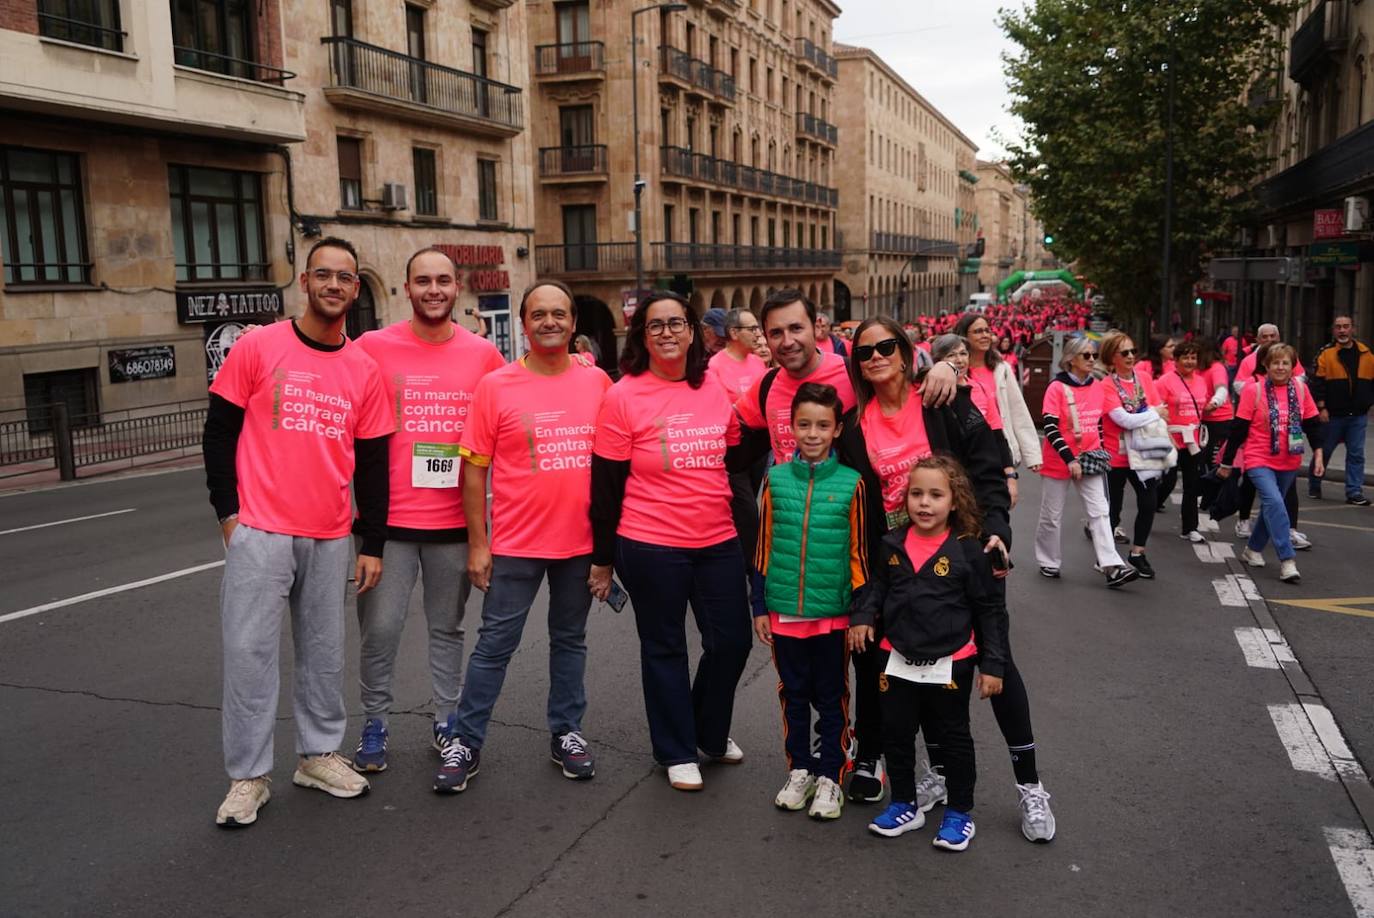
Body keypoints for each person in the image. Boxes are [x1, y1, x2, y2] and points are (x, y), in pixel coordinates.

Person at [837, 317, 1056, 842]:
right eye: (864, 352)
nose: (875, 358)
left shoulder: (941, 397)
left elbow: (987, 466)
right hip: (901, 565)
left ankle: (1030, 787)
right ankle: (934, 780)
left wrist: (998, 531)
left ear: (906, 350)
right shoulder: (852, 425)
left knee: (996, 665)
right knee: (918, 672)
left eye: (886, 346)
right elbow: (858, 507)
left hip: (966, 556)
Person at [203, 237, 393, 827]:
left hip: (331, 532)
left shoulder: (364, 368)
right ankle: (248, 777)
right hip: (260, 528)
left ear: (355, 290)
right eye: (323, 275)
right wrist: (228, 514)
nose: (333, 286)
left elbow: (373, 462)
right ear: (304, 282)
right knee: (249, 654)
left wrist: (374, 543)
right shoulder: (259, 347)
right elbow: (219, 433)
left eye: (344, 278)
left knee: (322, 655)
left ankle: (316, 755)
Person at [436, 281, 613, 793]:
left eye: (559, 313)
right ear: (523, 322)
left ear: (573, 322)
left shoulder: (598, 382)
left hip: (580, 546)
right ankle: (465, 741)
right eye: (539, 314)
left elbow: (613, 464)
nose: (550, 322)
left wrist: (608, 548)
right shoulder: (497, 386)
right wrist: (478, 541)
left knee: (569, 641)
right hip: (515, 545)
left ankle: (567, 732)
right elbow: (474, 470)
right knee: (494, 645)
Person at [347, 248, 506, 775]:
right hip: (387, 526)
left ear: (456, 286)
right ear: (407, 288)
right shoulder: (372, 347)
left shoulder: (483, 355)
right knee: (382, 629)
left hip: (454, 524)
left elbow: (518, 403)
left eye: (442, 280)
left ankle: (447, 718)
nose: (433, 289)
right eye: (423, 281)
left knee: (447, 628)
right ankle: (374, 721)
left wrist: (573, 364)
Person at [590, 291, 751, 792]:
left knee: (732, 641)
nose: (666, 332)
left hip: (717, 538)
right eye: (654, 325)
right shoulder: (622, 395)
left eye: (675, 323)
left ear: (693, 332)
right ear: (642, 335)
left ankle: (707, 729)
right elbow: (606, 484)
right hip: (649, 542)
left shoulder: (713, 389)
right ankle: (677, 748)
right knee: (664, 647)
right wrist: (601, 560)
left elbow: (735, 459)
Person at [851, 456, 1008, 852]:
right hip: (897, 657)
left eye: (936, 495)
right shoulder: (892, 543)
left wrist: (993, 664)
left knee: (952, 737)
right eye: (917, 493)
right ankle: (904, 804)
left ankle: (959, 812)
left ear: (954, 502)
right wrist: (865, 615)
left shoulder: (968, 550)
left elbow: (990, 610)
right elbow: (878, 588)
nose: (925, 503)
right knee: (897, 733)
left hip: (950, 660)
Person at [753, 383, 869, 821]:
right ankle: (799, 769)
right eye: (804, 424)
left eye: (823, 425)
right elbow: (762, 547)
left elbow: (859, 553)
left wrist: (859, 612)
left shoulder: (852, 483)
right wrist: (759, 606)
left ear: (838, 429)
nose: (813, 433)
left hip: (833, 616)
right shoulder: (775, 479)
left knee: (832, 695)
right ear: (791, 427)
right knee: (793, 695)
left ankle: (830, 776)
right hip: (784, 613)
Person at [1035, 335, 1139, 588]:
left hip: (1091, 458)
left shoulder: (1098, 386)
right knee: (1052, 514)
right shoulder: (1056, 388)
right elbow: (1050, 427)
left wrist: (1102, 451)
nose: (1092, 359)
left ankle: (1111, 565)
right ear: (1070, 360)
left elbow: (1099, 423)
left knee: (1100, 511)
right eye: (1086, 355)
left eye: (1093, 355)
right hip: (1059, 460)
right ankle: (1048, 560)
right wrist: (1069, 459)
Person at [1218, 344, 1324, 583]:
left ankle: (1252, 549)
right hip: (1258, 457)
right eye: (1275, 363)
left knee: (1270, 509)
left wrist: (1318, 452)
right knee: (1276, 502)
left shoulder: (1300, 388)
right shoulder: (1252, 391)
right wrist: (1227, 462)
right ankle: (1287, 560)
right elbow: (1239, 429)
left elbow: (1312, 422)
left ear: (1292, 367)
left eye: (1285, 363)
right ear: (1266, 366)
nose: (1280, 367)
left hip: (1289, 458)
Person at [955, 313, 1043, 509]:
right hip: (966, 451)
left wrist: (1032, 453)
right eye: (978, 331)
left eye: (987, 330)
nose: (985, 335)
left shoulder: (1001, 368)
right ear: (964, 336)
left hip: (999, 448)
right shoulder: (955, 370)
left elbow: (1017, 409)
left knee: (996, 509)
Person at [1099, 331, 1167, 578]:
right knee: (1113, 510)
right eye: (1123, 352)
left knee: (1148, 501)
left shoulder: (1145, 379)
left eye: (1132, 351)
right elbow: (1123, 419)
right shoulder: (1106, 385)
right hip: (1115, 455)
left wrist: (1153, 413)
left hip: (1143, 452)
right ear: (1111, 358)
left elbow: (1162, 409)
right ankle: (1107, 557)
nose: (1130, 356)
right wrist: (1153, 413)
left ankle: (1137, 553)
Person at [1310, 315, 1374, 505]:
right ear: (1333, 330)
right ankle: (1315, 483)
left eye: (1346, 326)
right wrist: (1321, 407)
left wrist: (1368, 402)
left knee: (1356, 454)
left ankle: (1354, 492)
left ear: (1353, 329)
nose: (1342, 330)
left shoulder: (1367, 355)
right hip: (1332, 415)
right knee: (1324, 451)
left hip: (1358, 416)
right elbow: (1318, 383)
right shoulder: (1326, 354)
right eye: (1338, 327)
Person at [1154, 341, 1209, 542]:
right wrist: (1165, 434)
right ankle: (1151, 505)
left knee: (1192, 485)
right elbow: (1155, 409)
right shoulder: (1165, 381)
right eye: (1185, 357)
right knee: (1167, 481)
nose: (1189, 361)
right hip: (1171, 438)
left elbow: (1202, 407)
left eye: (1193, 357)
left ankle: (1190, 528)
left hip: (1193, 440)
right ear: (1175, 360)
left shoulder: (1201, 381)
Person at [1234, 324, 1306, 396]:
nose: (1269, 339)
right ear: (1258, 340)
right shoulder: (1247, 361)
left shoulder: (1290, 356)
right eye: (1264, 337)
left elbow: (1300, 377)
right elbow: (1239, 385)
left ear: (1278, 338)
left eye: (1272, 336)